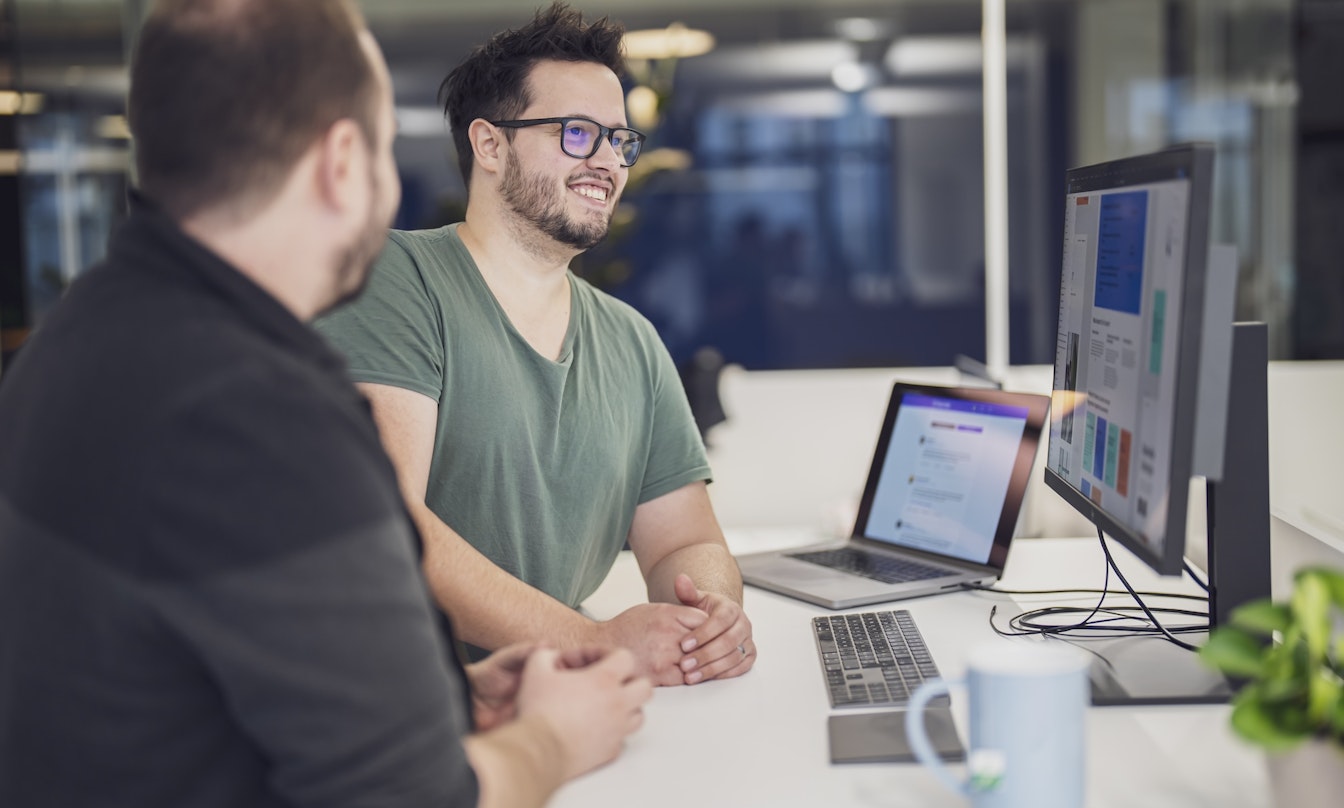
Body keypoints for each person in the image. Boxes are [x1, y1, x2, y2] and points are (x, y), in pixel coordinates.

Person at [0, 2, 650, 807]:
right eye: (384, 147)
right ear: (344, 161)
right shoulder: (257, 415)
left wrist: (442, 694)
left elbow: (182, 665)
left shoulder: (80, 338)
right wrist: (556, 736)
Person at [314, 2, 756, 687]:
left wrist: (710, 614)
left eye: (619, 140)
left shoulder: (632, 341)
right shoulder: (395, 282)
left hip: (563, 703)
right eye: (578, 133)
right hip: (404, 711)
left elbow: (686, 540)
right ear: (490, 145)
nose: (608, 161)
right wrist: (591, 640)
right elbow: (385, 530)